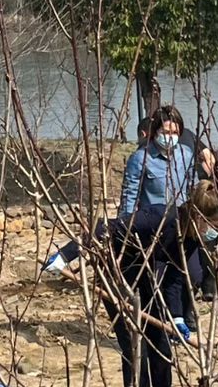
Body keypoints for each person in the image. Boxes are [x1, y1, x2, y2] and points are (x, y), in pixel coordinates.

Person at [112, 182, 218, 387]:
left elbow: (174, 277)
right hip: (117, 274)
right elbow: (105, 228)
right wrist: (66, 255)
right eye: (213, 225)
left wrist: (177, 316)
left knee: (160, 342)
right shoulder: (158, 217)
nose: (214, 231)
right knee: (135, 347)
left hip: (147, 274)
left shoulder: (191, 235)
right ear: (198, 217)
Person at [44, 109, 195, 276]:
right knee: (148, 274)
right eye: (166, 132)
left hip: (180, 224)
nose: (171, 137)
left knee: (191, 276)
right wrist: (128, 232)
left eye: (175, 133)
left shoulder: (186, 154)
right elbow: (129, 197)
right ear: (155, 132)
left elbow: (193, 189)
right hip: (151, 224)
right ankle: (63, 257)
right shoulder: (141, 158)